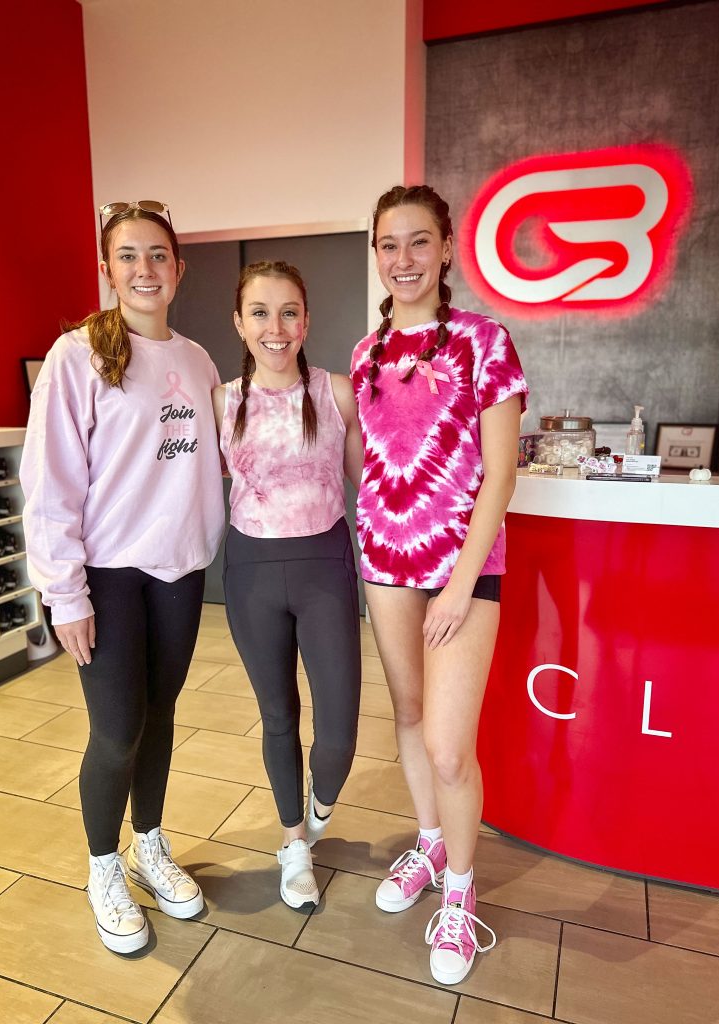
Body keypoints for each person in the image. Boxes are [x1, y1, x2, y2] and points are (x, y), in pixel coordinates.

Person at [20, 201, 225, 954]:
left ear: (178, 268)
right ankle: (103, 865)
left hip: (178, 571)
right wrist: (63, 594)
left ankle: (150, 844)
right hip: (105, 577)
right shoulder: (77, 357)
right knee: (117, 732)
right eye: (129, 256)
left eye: (159, 255)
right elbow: (49, 488)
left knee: (161, 716)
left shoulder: (199, 360)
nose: (146, 269)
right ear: (107, 270)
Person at [350, 185, 528, 984]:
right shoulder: (365, 354)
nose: (404, 259)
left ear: (448, 249)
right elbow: (369, 462)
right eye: (389, 244)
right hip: (386, 563)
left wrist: (459, 586)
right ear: (377, 254)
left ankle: (461, 890)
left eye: (419, 242)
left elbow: (500, 476)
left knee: (451, 746)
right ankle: (428, 845)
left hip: (463, 571)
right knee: (410, 715)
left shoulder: (485, 342)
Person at [214, 260, 363, 910]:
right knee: (279, 718)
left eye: (289, 312)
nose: (276, 328)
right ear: (239, 322)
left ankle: (320, 810)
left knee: (337, 734)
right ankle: (294, 842)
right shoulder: (220, 400)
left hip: (325, 566)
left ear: (307, 318)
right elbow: (179, 480)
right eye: (259, 312)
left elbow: (372, 482)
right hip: (250, 572)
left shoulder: (338, 392)